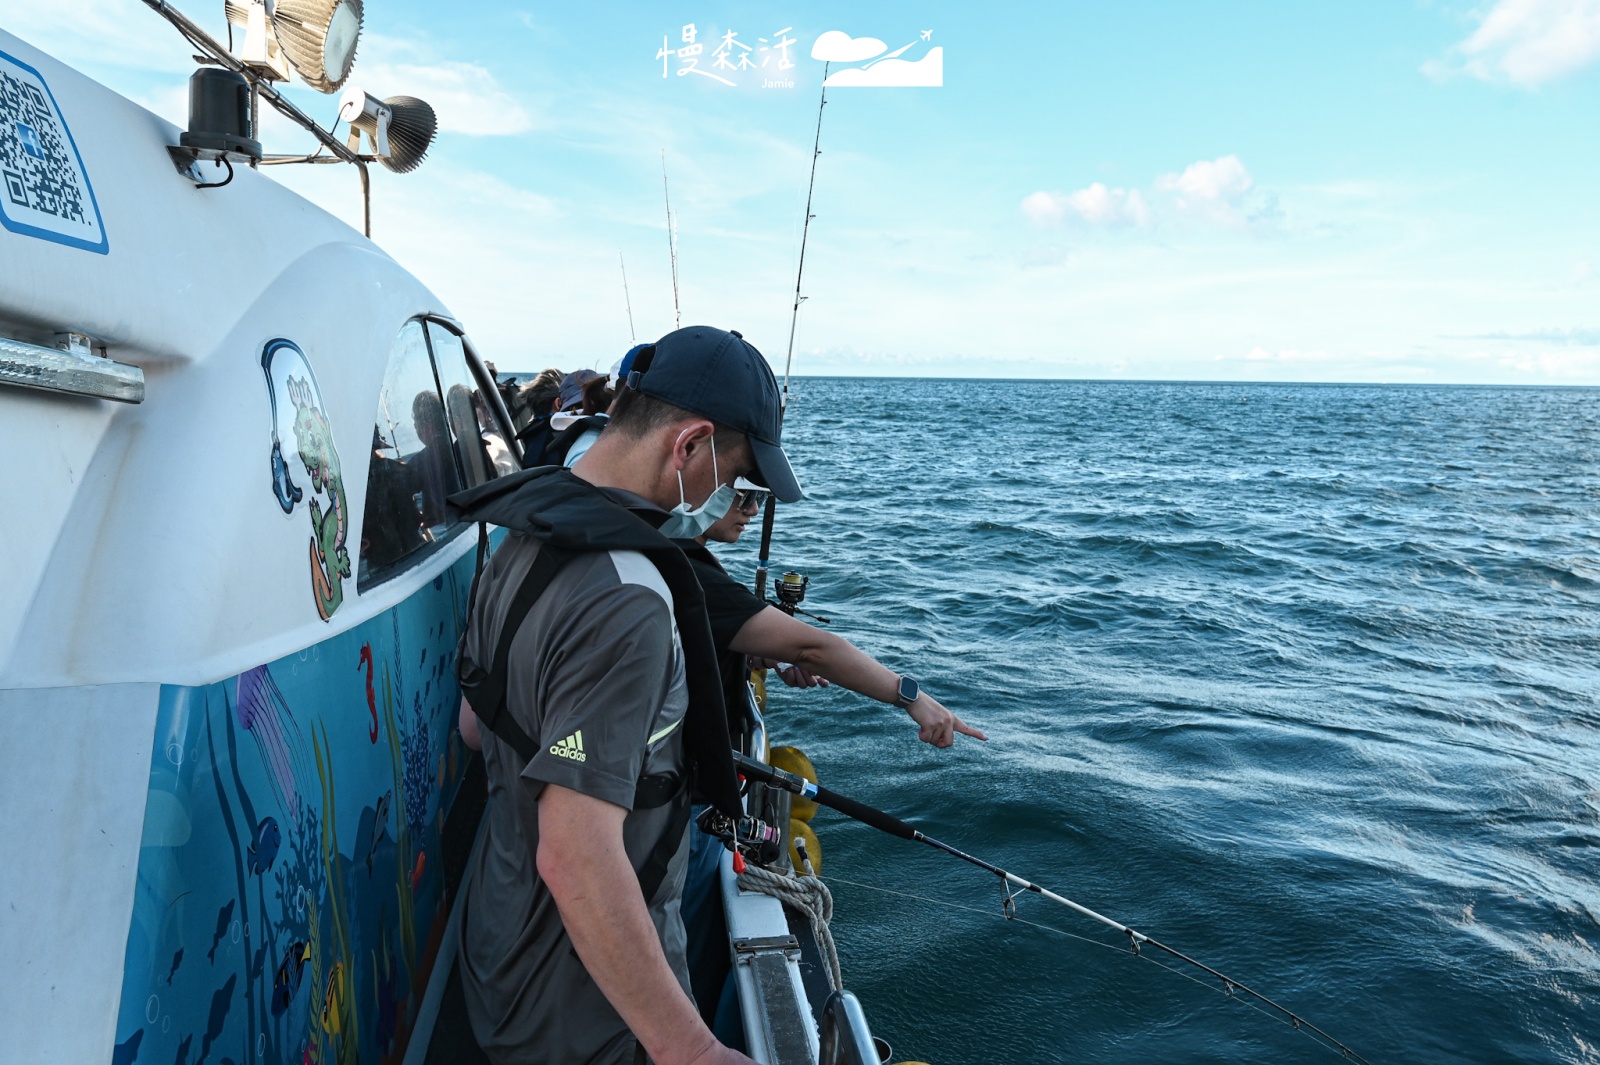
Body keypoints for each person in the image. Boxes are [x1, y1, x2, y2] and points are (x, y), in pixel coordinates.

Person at [448, 325, 801, 1065]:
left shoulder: (520, 536)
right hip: (580, 1013)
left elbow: (477, 730)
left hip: (495, 951)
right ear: (691, 445)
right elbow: (575, 855)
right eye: (733, 474)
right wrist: (692, 1050)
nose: (726, 496)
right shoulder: (629, 601)